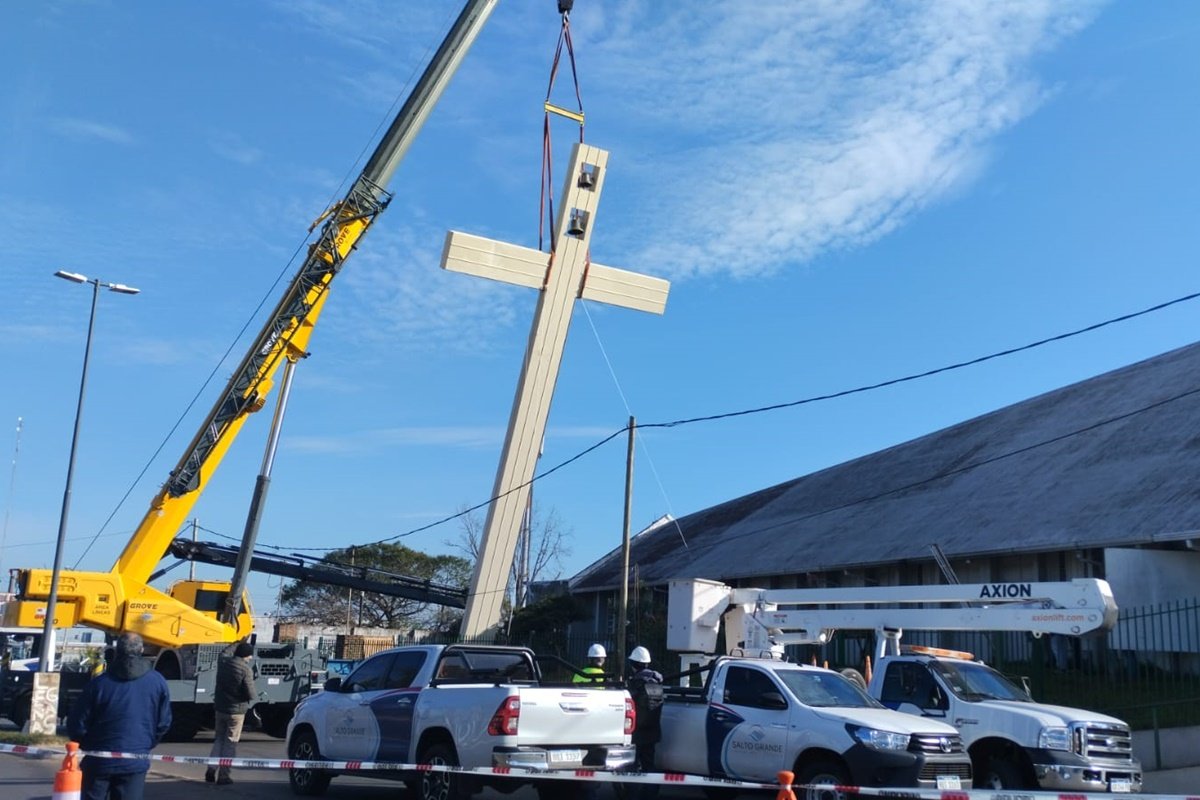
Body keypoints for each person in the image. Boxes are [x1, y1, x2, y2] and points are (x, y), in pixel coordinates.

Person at [67, 632, 172, 800]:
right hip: (135, 760)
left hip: (98, 759)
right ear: (142, 650)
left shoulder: (99, 684)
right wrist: (145, 744)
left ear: (117, 651)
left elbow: (77, 723)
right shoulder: (157, 682)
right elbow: (164, 722)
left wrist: (87, 745)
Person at [206, 640, 256, 785]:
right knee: (230, 742)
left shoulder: (223, 662)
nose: (251, 658)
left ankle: (211, 768)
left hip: (220, 708)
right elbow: (251, 694)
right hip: (236, 711)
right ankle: (223, 776)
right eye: (250, 655)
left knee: (219, 740)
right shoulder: (246, 670)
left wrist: (238, 641)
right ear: (246, 655)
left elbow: (224, 652)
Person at [626, 646, 664, 800]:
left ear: (634, 664)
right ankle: (650, 794)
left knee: (631, 766)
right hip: (653, 731)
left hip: (636, 733)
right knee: (649, 765)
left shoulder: (635, 682)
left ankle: (632, 796)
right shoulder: (658, 681)